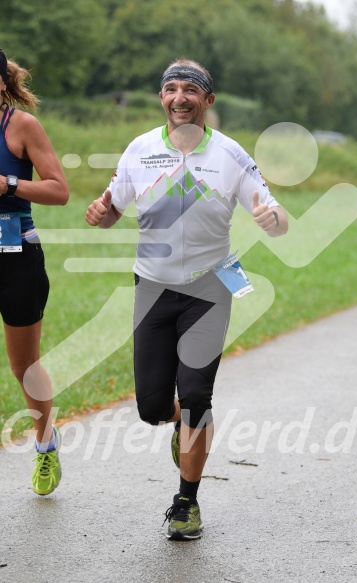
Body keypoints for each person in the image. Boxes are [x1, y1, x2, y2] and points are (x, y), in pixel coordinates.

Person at [85, 58, 288, 540]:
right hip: (152, 288)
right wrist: (100, 212)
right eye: (171, 89)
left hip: (209, 288)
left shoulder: (232, 154)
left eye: (190, 90)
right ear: (162, 98)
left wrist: (272, 219)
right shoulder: (140, 149)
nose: (180, 98)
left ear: (207, 101)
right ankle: (183, 425)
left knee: (196, 396)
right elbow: (112, 208)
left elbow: (274, 212)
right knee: (152, 407)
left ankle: (186, 502)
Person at [0, 48, 69, 495]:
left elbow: (59, 190)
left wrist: (7, 184)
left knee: (24, 365)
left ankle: (46, 445)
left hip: (15, 256)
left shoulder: (20, 126)